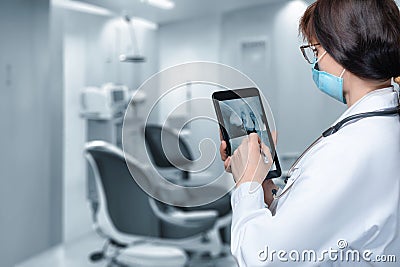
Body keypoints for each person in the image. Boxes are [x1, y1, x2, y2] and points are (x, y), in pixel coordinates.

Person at [220, 0, 400, 266]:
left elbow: (263, 257)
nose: (315, 63)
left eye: (315, 50)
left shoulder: (350, 150)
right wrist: (264, 188)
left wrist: (246, 184)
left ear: (341, 48)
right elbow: (320, 221)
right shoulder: (380, 127)